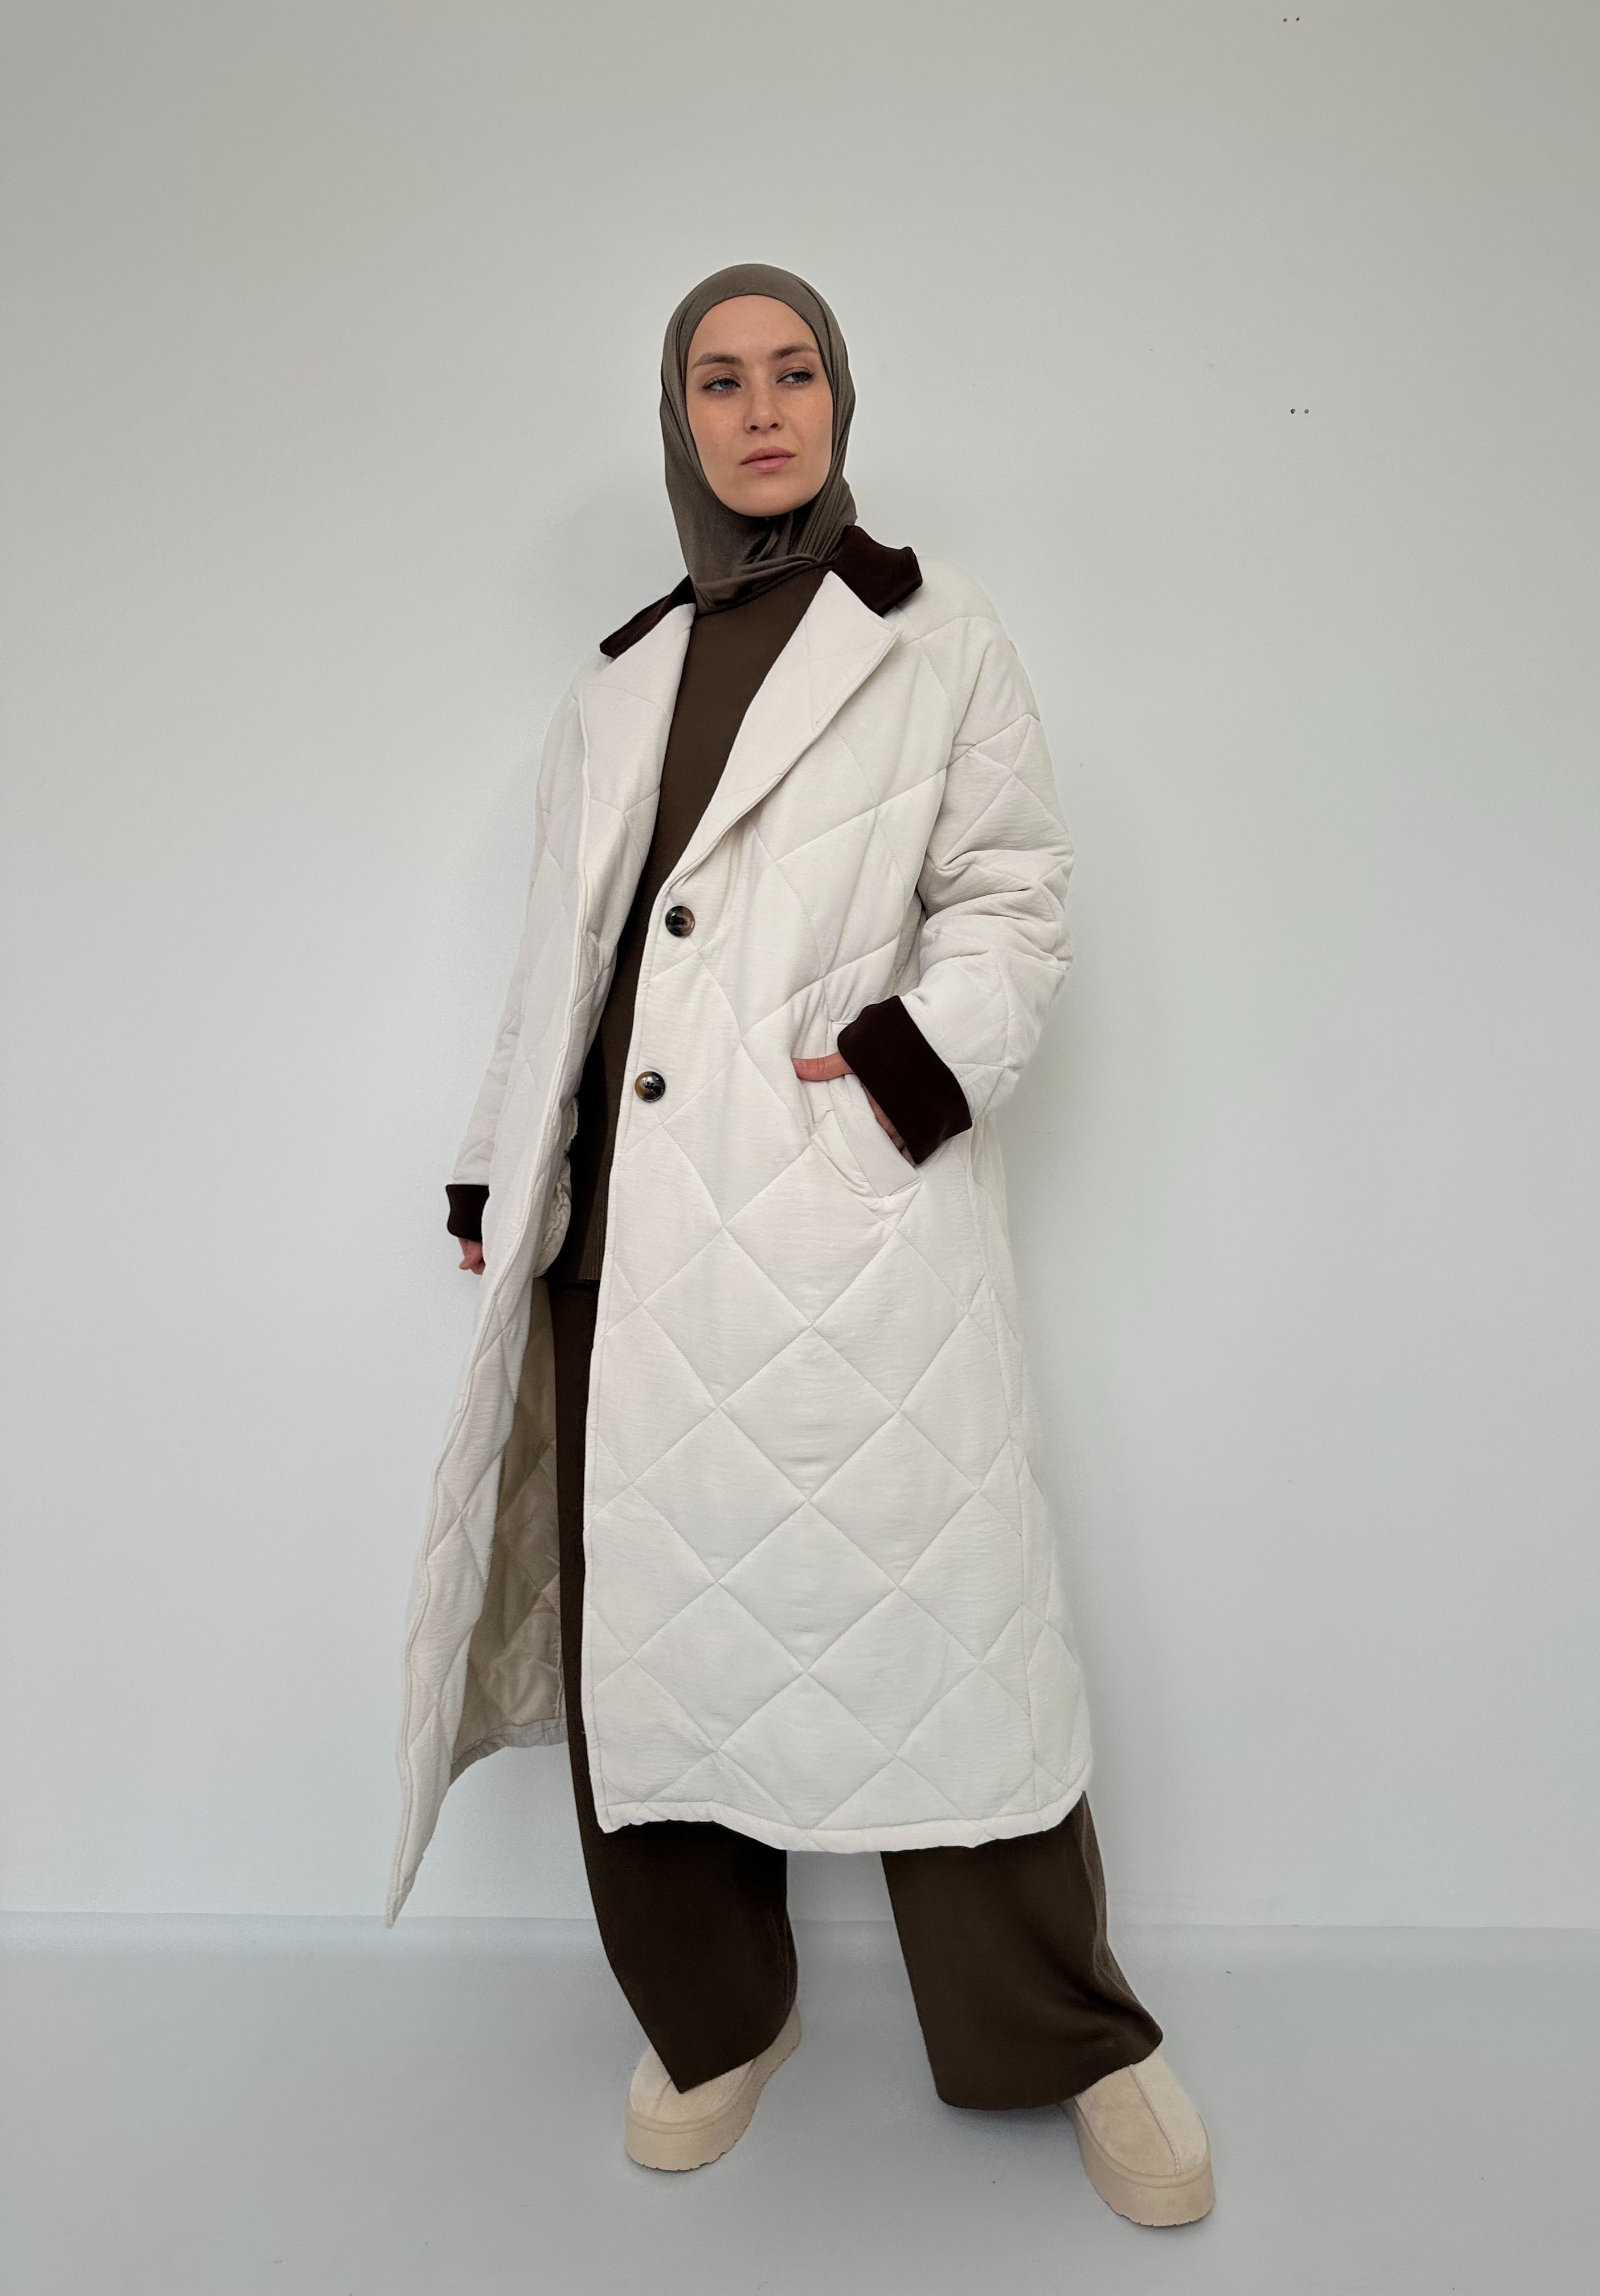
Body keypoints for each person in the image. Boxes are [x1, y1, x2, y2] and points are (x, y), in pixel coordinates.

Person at [389, 262, 1216, 2228]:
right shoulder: (615, 681)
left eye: (793, 374)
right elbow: (558, 964)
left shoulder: (936, 634)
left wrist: (910, 1066)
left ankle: (1065, 2035)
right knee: (654, 1655)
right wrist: (500, 1170)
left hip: (839, 1226)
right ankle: (712, 2018)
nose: (759, 411)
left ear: (842, 398)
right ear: (676, 420)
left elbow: (1014, 894)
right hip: (622, 1250)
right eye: (719, 381)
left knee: (943, 1633)